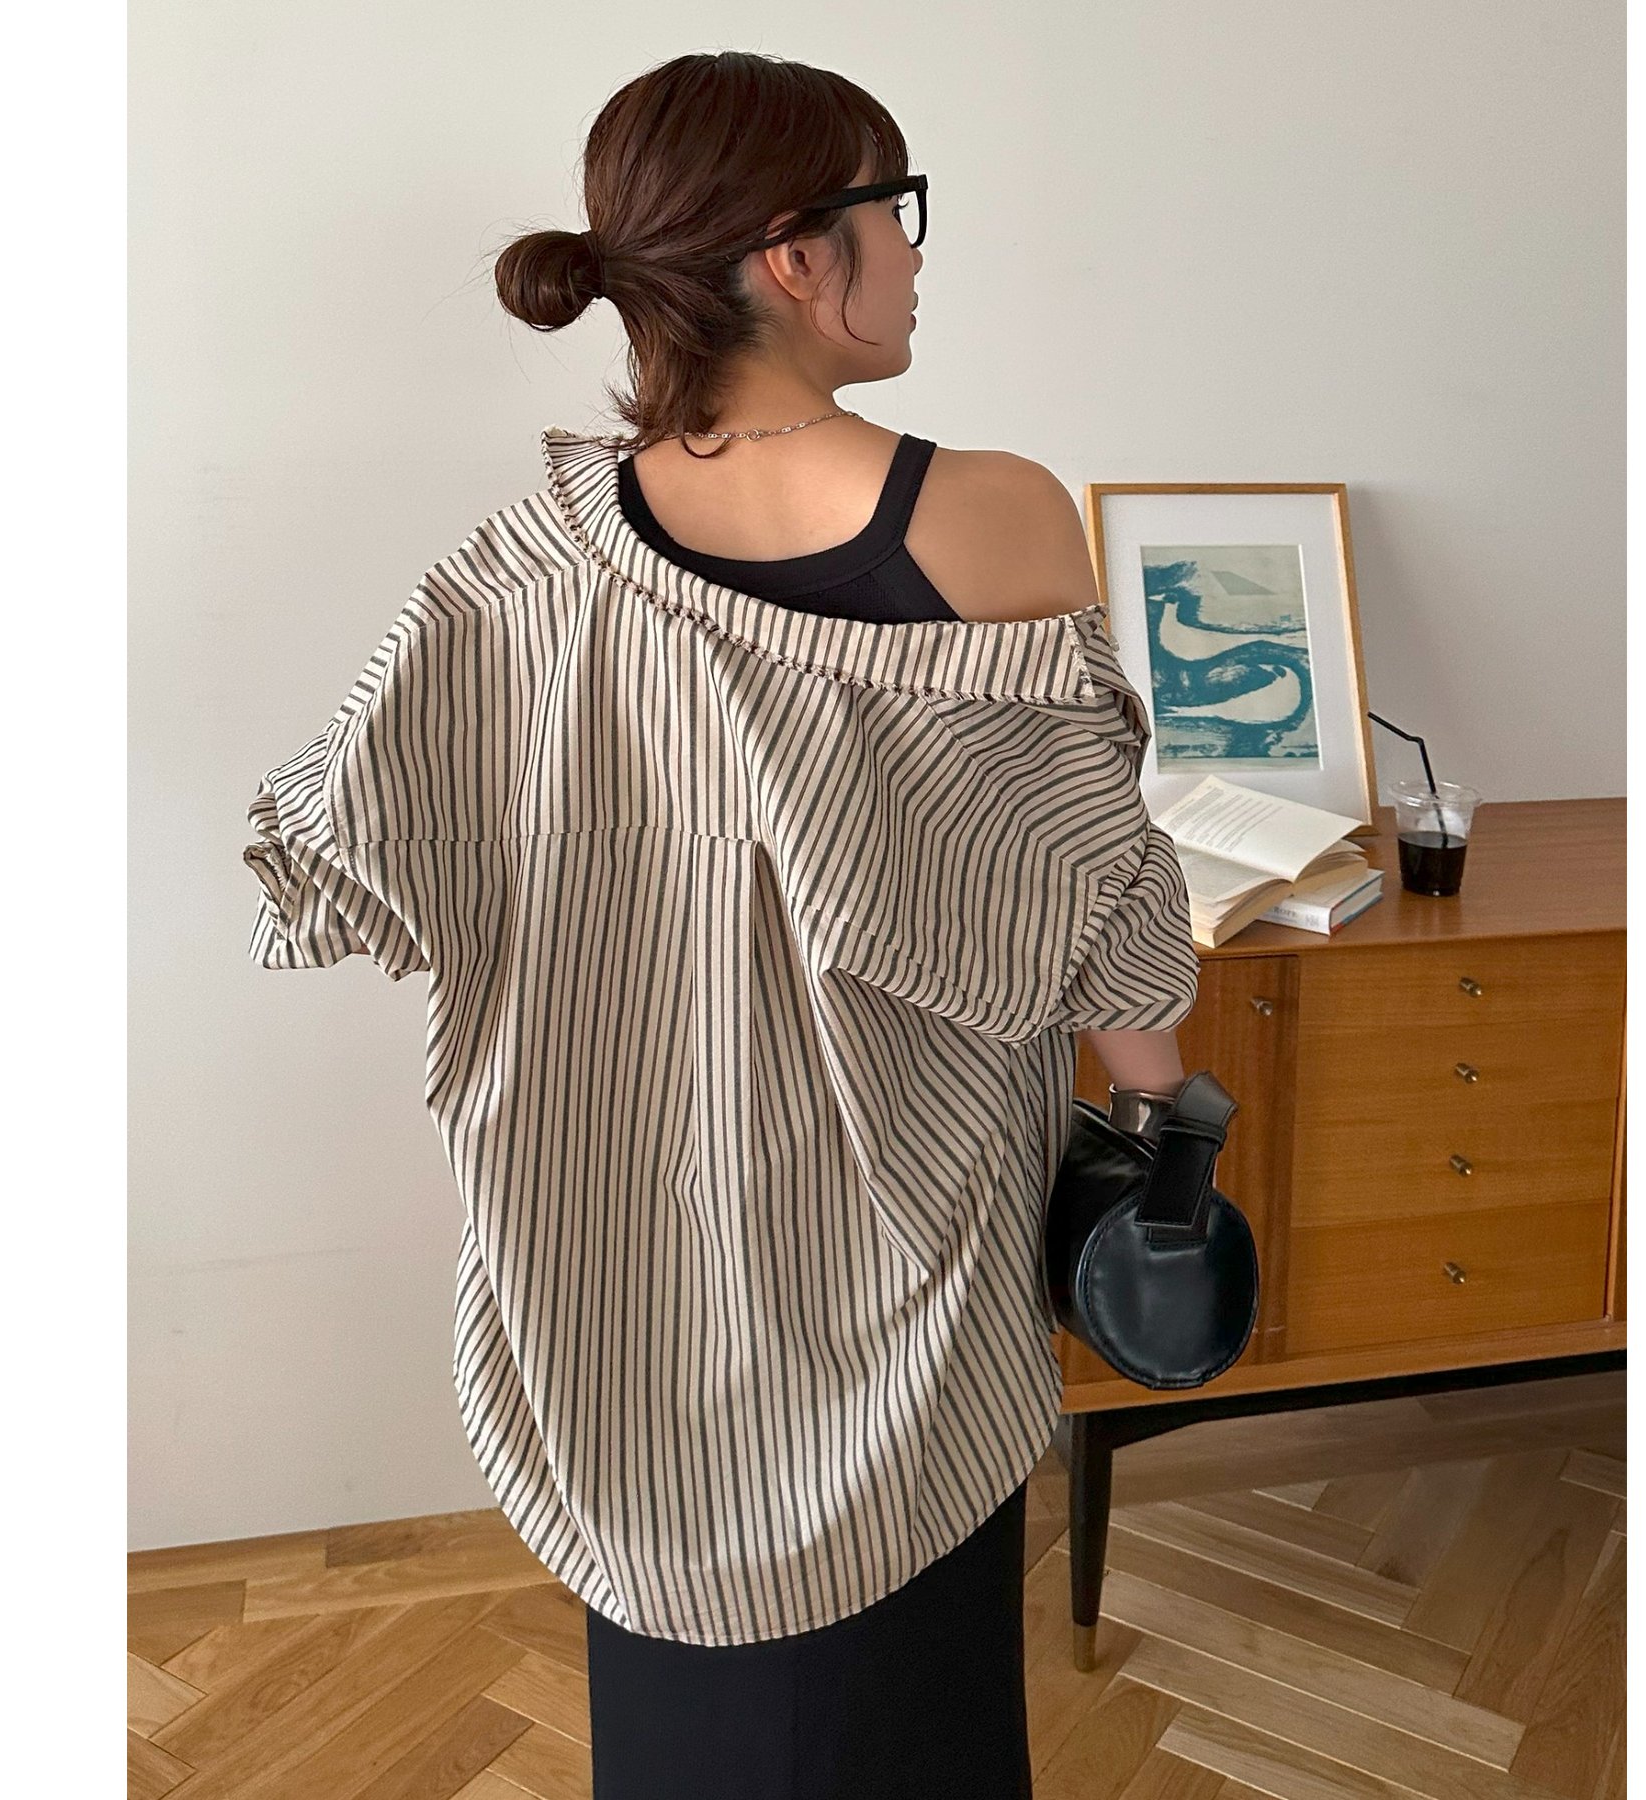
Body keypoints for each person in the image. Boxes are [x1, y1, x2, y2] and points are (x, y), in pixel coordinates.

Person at [243, 48, 1196, 1800]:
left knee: (686, 1724)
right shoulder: (994, 515)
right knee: (910, 1712)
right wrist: (1163, 1118)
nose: (919, 252)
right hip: (907, 1236)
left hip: (619, 1242)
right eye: (899, 211)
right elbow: (1109, 911)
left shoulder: (521, 571)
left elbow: (331, 848)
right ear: (798, 253)